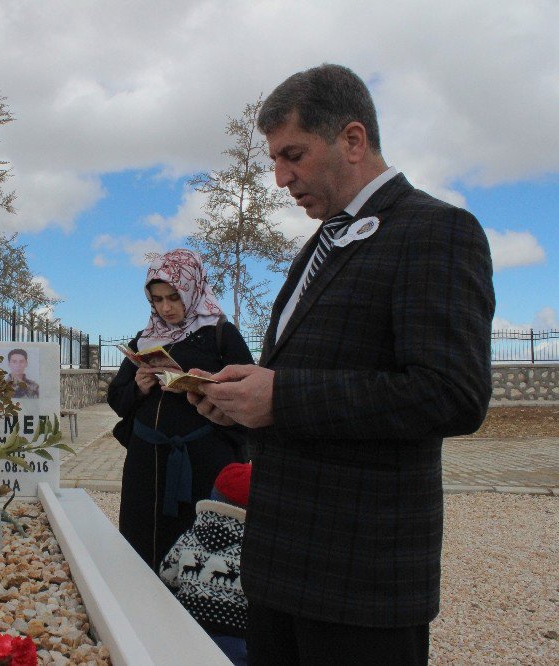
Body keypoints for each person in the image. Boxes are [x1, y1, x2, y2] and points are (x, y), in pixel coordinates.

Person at [188, 64, 494, 665]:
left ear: (353, 140)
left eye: (293, 155)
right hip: (278, 572)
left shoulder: (436, 230)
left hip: (361, 585)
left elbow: (451, 393)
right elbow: (305, 376)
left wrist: (282, 397)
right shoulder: (323, 242)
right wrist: (235, 403)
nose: (280, 178)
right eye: (276, 159)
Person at [107, 248, 252, 570]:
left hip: (202, 458)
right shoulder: (142, 340)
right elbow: (117, 399)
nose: (166, 307)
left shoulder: (220, 334)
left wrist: (203, 386)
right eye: (157, 300)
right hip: (146, 462)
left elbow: (248, 394)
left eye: (173, 297)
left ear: (192, 289)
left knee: (197, 548)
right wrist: (139, 387)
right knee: (141, 540)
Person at [160, 462, 252, 666]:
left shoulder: (191, 536)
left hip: (187, 628)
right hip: (235, 635)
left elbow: (167, 574)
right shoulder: (253, 548)